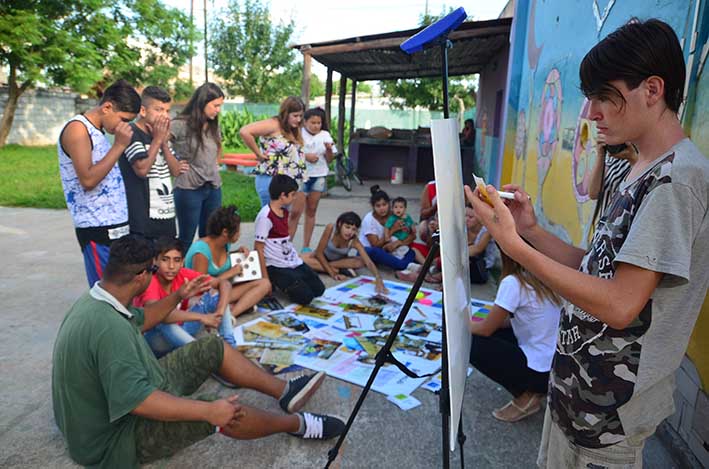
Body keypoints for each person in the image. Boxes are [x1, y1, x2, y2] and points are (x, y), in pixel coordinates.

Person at [466, 19, 709, 468]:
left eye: (603, 97)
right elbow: (597, 267)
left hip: (608, 416)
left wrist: (515, 250)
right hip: (575, 396)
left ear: (652, 90)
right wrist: (532, 232)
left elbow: (620, 303)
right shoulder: (639, 167)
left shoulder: (676, 181)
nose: (591, 113)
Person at [52, 235, 345, 468]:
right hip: (113, 440)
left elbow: (146, 318)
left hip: (127, 396)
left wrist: (179, 295)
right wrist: (209, 411)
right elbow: (139, 402)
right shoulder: (109, 329)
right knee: (217, 410)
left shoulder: (99, 299)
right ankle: (297, 424)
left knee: (211, 346)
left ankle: (286, 392)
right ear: (142, 276)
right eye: (154, 269)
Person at [58, 79, 141, 286]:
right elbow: (87, 179)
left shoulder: (99, 132)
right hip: (97, 228)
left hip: (117, 226)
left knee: (123, 289)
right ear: (107, 107)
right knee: (107, 291)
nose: (124, 126)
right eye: (123, 119)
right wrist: (119, 146)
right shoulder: (78, 129)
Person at [469, 248, 560, 422]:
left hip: (541, 372)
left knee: (471, 344)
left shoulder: (513, 282)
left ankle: (529, 395)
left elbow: (484, 330)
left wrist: (460, 323)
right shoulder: (544, 275)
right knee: (497, 331)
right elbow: (522, 320)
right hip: (557, 367)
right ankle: (534, 390)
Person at [134, 236, 238, 355]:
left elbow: (224, 284)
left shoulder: (183, 274)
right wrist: (202, 318)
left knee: (216, 297)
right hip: (155, 341)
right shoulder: (151, 281)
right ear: (155, 261)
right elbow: (157, 314)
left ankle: (230, 348)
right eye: (165, 259)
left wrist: (219, 312)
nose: (171, 266)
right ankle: (202, 354)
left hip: (182, 331)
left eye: (177, 260)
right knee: (163, 320)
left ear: (182, 262)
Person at [119, 86, 189, 240]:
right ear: (143, 111)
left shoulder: (159, 135)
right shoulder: (132, 133)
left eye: (167, 111)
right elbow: (142, 169)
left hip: (166, 215)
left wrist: (163, 143)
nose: (165, 116)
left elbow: (176, 171)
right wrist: (157, 140)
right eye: (159, 110)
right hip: (142, 219)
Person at [184, 206, 271, 318]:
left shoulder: (225, 244)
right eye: (238, 231)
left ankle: (231, 311)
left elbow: (223, 262)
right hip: (203, 295)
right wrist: (230, 273)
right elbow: (200, 286)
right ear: (225, 232)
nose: (239, 234)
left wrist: (237, 253)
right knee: (242, 292)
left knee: (264, 283)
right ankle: (231, 312)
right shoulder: (201, 252)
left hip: (222, 289)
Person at [240, 96, 307, 239]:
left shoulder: (293, 130)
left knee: (282, 221)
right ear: (285, 113)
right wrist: (258, 154)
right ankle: (264, 252)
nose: (299, 119)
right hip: (271, 179)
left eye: (301, 116)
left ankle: (278, 252)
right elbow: (245, 131)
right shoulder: (274, 124)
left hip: (289, 183)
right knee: (270, 219)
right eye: (295, 116)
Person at [171, 82, 225, 253]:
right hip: (189, 188)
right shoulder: (180, 123)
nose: (218, 110)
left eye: (220, 106)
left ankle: (203, 276)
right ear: (202, 102)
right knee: (186, 239)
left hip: (213, 187)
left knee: (210, 237)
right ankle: (180, 277)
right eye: (215, 105)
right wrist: (174, 162)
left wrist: (214, 163)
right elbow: (159, 142)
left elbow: (218, 147)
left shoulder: (213, 124)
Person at [255, 175, 325, 305]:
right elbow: (258, 248)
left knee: (319, 289)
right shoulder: (265, 217)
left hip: (292, 261)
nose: (294, 198)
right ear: (283, 196)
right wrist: (265, 279)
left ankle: (291, 280)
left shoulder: (284, 212)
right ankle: (278, 281)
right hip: (275, 265)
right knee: (306, 298)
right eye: (293, 195)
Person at [302, 211, 388, 294]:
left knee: (360, 262)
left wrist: (378, 278)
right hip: (320, 257)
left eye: (354, 229)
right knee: (299, 260)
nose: (350, 232)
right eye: (347, 227)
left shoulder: (354, 240)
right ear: (340, 224)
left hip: (338, 261)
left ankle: (328, 267)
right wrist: (333, 273)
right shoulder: (331, 228)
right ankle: (338, 270)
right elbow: (319, 253)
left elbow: (368, 261)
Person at [300, 107, 336, 252]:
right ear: (305, 122)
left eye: (319, 123)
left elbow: (330, 159)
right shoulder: (299, 133)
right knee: (295, 212)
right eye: (312, 122)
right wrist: (306, 157)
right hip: (301, 176)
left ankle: (306, 246)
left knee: (311, 210)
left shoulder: (325, 135)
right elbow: (291, 153)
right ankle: (287, 243)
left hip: (319, 176)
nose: (316, 126)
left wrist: (328, 150)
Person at [359, 185, 416, 271]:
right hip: (369, 251)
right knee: (374, 251)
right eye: (378, 206)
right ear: (373, 207)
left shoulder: (395, 215)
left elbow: (412, 236)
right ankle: (404, 265)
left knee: (412, 251)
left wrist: (398, 243)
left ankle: (404, 265)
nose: (382, 209)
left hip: (390, 248)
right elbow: (375, 245)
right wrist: (392, 230)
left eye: (384, 204)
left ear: (389, 204)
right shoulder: (369, 219)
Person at [587, 131, 638, 227]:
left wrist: (632, 158)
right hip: (604, 229)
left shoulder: (644, 160)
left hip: (624, 232)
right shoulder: (613, 158)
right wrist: (601, 154)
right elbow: (593, 193)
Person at [384, 197, 421, 261]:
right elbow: (386, 227)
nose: (398, 209)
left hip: (404, 238)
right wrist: (387, 236)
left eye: (401, 207)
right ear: (392, 209)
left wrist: (413, 228)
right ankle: (398, 256)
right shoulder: (392, 218)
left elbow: (411, 223)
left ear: (405, 209)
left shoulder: (407, 217)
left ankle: (399, 255)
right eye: (395, 207)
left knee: (404, 247)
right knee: (395, 245)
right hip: (395, 237)